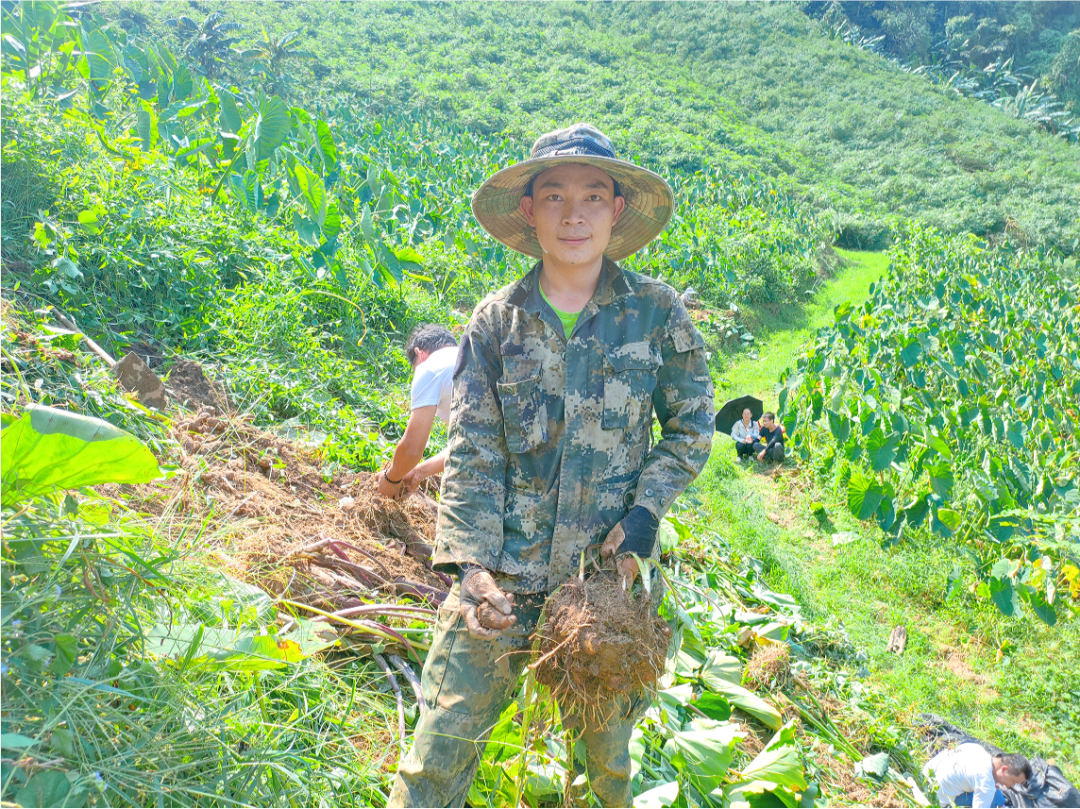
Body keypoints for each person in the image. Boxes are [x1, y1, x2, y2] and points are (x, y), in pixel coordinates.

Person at [387, 123, 714, 808]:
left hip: (602, 582)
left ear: (617, 211)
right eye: (555, 196)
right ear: (529, 210)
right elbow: (473, 452)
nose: (574, 214)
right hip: (501, 582)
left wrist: (648, 510)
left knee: (605, 776)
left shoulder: (655, 315)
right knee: (433, 765)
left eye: (594, 197)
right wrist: (471, 571)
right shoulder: (495, 322)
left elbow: (691, 427)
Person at [377, 324, 458, 498]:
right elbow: (469, 444)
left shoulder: (431, 367)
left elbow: (412, 449)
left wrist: (390, 479)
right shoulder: (471, 359)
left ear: (419, 354)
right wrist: (419, 471)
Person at [923, 743, 1031, 808]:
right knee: (997, 798)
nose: (1011, 787)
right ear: (1004, 770)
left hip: (925, 777)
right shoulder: (986, 783)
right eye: (1013, 782)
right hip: (935, 799)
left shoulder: (977, 749)